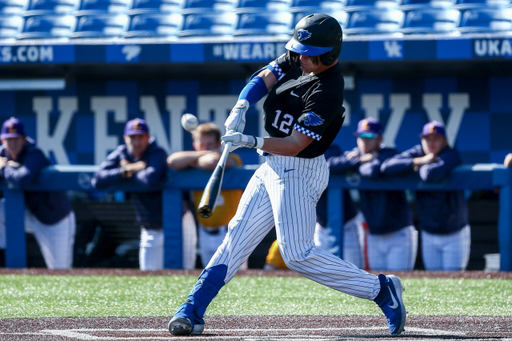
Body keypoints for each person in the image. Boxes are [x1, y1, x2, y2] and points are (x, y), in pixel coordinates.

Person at [168, 13, 406, 337]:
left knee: (296, 253)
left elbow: (296, 144)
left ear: (331, 55)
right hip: (270, 165)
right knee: (235, 239)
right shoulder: (301, 55)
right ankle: (191, 309)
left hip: (300, 169)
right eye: (301, 51)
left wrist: (250, 141)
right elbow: (265, 76)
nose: (301, 58)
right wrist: (241, 105)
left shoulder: (328, 89)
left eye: (310, 54)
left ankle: (380, 290)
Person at [327, 118, 418, 271]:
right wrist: (361, 160)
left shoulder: (389, 153)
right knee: (378, 282)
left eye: (369, 137)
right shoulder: (355, 156)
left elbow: (371, 171)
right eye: (361, 137)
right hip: (374, 234)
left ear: (380, 139)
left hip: (399, 233)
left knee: (400, 282)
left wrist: (360, 162)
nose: (364, 142)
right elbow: (332, 164)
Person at [381, 121, 470, 271]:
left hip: (454, 232)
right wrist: (420, 161)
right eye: (427, 138)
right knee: (434, 282)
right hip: (429, 231)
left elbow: (429, 174)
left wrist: (421, 166)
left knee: (454, 281)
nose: (431, 142)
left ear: (445, 141)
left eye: (436, 138)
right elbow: (386, 167)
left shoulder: (451, 154)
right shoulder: (418, 153)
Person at [265, 144, 366, 270]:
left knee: (354, 269)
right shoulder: (294, 149)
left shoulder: (330, 147)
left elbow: (330, 164)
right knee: (317, 269)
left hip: (346, 223)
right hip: (319, 223)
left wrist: (353, 160)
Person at [92, 118, 174, 270]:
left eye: (141, 137)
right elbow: (97, 180)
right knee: (149, 275)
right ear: (125, 138)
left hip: (175, 222)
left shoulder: (157, 152)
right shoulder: (122, 153)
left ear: (148, 137)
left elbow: (149, 180)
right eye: (132, 137)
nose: (137, 142)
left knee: (184, 273)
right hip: (151, 225)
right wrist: (128, 169)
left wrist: (129, 169)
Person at [0, 117, 76, 269]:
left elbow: (22, 179)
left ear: (23, 139)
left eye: (16, 139)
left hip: (55, 219)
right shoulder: (2, 154)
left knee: (60, 272)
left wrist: (3, 168)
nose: (13, 144)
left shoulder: (35, 153)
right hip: (27, 215)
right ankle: (2, 252)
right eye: (9, 140)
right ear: (2, 140)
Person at [167, 122, 245, 269]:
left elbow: (213, 161)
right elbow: (172, 161)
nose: (206, 147)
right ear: (195, 145)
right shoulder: (194, 160)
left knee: (236, 275)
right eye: (202, 144)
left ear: (218, 143)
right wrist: (200, 157)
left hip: (231, 232)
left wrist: (195, 162)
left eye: (210, 144)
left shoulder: (232, 158)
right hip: (205, 231)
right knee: (208, 274)